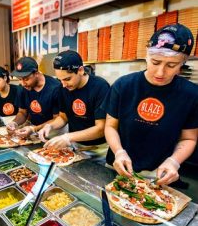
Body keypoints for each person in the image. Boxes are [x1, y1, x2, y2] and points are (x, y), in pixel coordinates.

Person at [102, 23, 198, 186]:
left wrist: (174, 161)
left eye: (171, 65)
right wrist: (119, 151)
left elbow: (189, 138)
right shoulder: (123, 85)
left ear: (182, 64)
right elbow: (110, 126)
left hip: (159, 174)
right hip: (119, 166)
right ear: (146, 56)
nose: (160, 72)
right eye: (155, 62)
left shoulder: (191, 94)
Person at [38, 50, 110, 154]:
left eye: (67, 79)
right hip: (75, 145)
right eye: (60, 80)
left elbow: (101, 128)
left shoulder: (100, 87)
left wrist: (68, 137)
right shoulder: (62, 88)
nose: (63, 84)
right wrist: (50, 126)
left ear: (80, 70)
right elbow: (63, 117)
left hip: (98, 148)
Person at [6, 57, 61, 137]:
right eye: (19, 79)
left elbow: (57, 119)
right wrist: (14, 122)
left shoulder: (55, 88)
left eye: (26, 79)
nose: (23, 83)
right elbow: (22, 112)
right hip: (33, 129)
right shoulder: (22, 88)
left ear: (36, 73)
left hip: (54, 132)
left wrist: (34, 129)